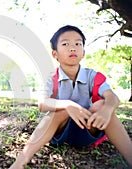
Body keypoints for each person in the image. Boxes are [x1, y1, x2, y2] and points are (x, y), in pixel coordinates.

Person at [10, 25, 132, 168]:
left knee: (101, 105)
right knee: (60, 110)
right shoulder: (51, 77)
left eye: (78, 44)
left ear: (83, 52)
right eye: (65, 44)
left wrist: (107, 109)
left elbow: (112, 97)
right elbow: (42, 103)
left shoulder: (92, 76)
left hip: (88, 129)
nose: (72, 48)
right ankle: (19, 163)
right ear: (55, 54)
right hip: (59, 133)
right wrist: (68, 105)